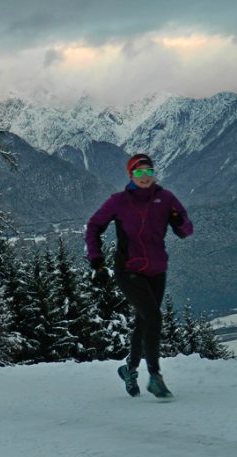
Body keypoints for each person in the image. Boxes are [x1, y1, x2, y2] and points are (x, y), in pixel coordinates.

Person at [84, 153, 194, 399]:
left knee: (144, 321)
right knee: (154, 316)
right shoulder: (119, 201)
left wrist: (178, 221)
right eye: (139, 172)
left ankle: (130, 370)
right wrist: (96, 259)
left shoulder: (166, 199)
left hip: (157, 270)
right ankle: (155, 376)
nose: (145, 177)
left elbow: (186, 230)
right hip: (128, 269)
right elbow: (94, 226)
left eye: (149, 172)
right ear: (131, 175)